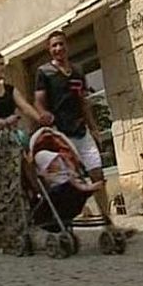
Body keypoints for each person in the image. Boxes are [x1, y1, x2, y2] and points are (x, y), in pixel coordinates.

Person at [0, 52, 49, 256]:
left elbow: (24, 106)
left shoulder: (10, 90)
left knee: (12, 190)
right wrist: (2, 122)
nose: (3, 67)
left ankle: (16, 237)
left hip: (10, 143)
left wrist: (41, 119)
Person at [33, 31, 111, 221]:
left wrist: (93, 127)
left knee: (97, 174)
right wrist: (44, 116)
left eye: (60, 44)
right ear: (49, 49)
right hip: (61, 134)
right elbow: (38, 101)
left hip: (82, 131)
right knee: (73, 179)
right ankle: (78, 213)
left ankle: (107, 219)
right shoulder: (44, 72)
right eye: (54, 46)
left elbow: (84, 101)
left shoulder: (77, 72)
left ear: (67, 46)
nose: (58, 48)